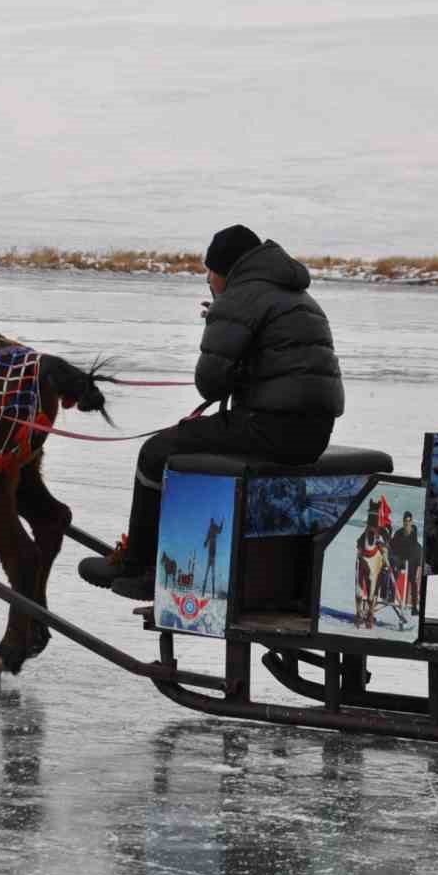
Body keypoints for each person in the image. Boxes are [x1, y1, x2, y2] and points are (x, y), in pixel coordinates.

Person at [78, 224, 345, 600]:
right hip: (312, 433)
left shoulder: (241, 299)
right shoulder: (296, 295)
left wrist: (217, 320)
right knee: (181, 442)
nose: (208, 279)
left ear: (225, 270)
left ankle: (139, 565)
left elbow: (210, 384)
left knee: (155, 453)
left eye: (210, 272)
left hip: (268, 429)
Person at [390, 511, 422, 616]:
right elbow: (393, 545)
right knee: (393, 572)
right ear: (403, 521)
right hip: (401, 559)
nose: (407, 523)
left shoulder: (413, 532)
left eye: (408, 521)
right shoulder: (399, 532)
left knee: (412, 580)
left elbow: (411, 546)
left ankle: (414, 607)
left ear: (411, 521)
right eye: (405, 521)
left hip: (412, 560)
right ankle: (391, 595)